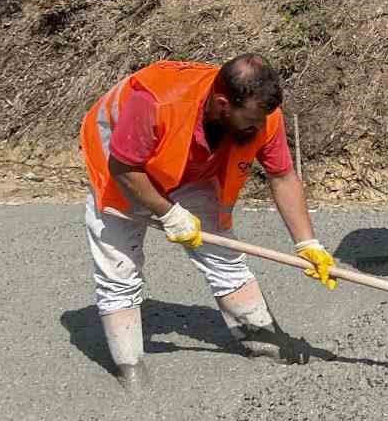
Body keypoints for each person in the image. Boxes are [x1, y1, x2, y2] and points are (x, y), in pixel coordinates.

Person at [79, 54, 337, 391]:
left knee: (225, 257)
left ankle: (263, 341)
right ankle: (130, 368)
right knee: (119, 269)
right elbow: (124, 167)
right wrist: (168, 213)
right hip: (122, 171)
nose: (258, 128)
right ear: (222, 104)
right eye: (251, 120)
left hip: (190, 168)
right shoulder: (155, 100)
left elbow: (283, 176)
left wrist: (308, 244)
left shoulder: (262, 114)